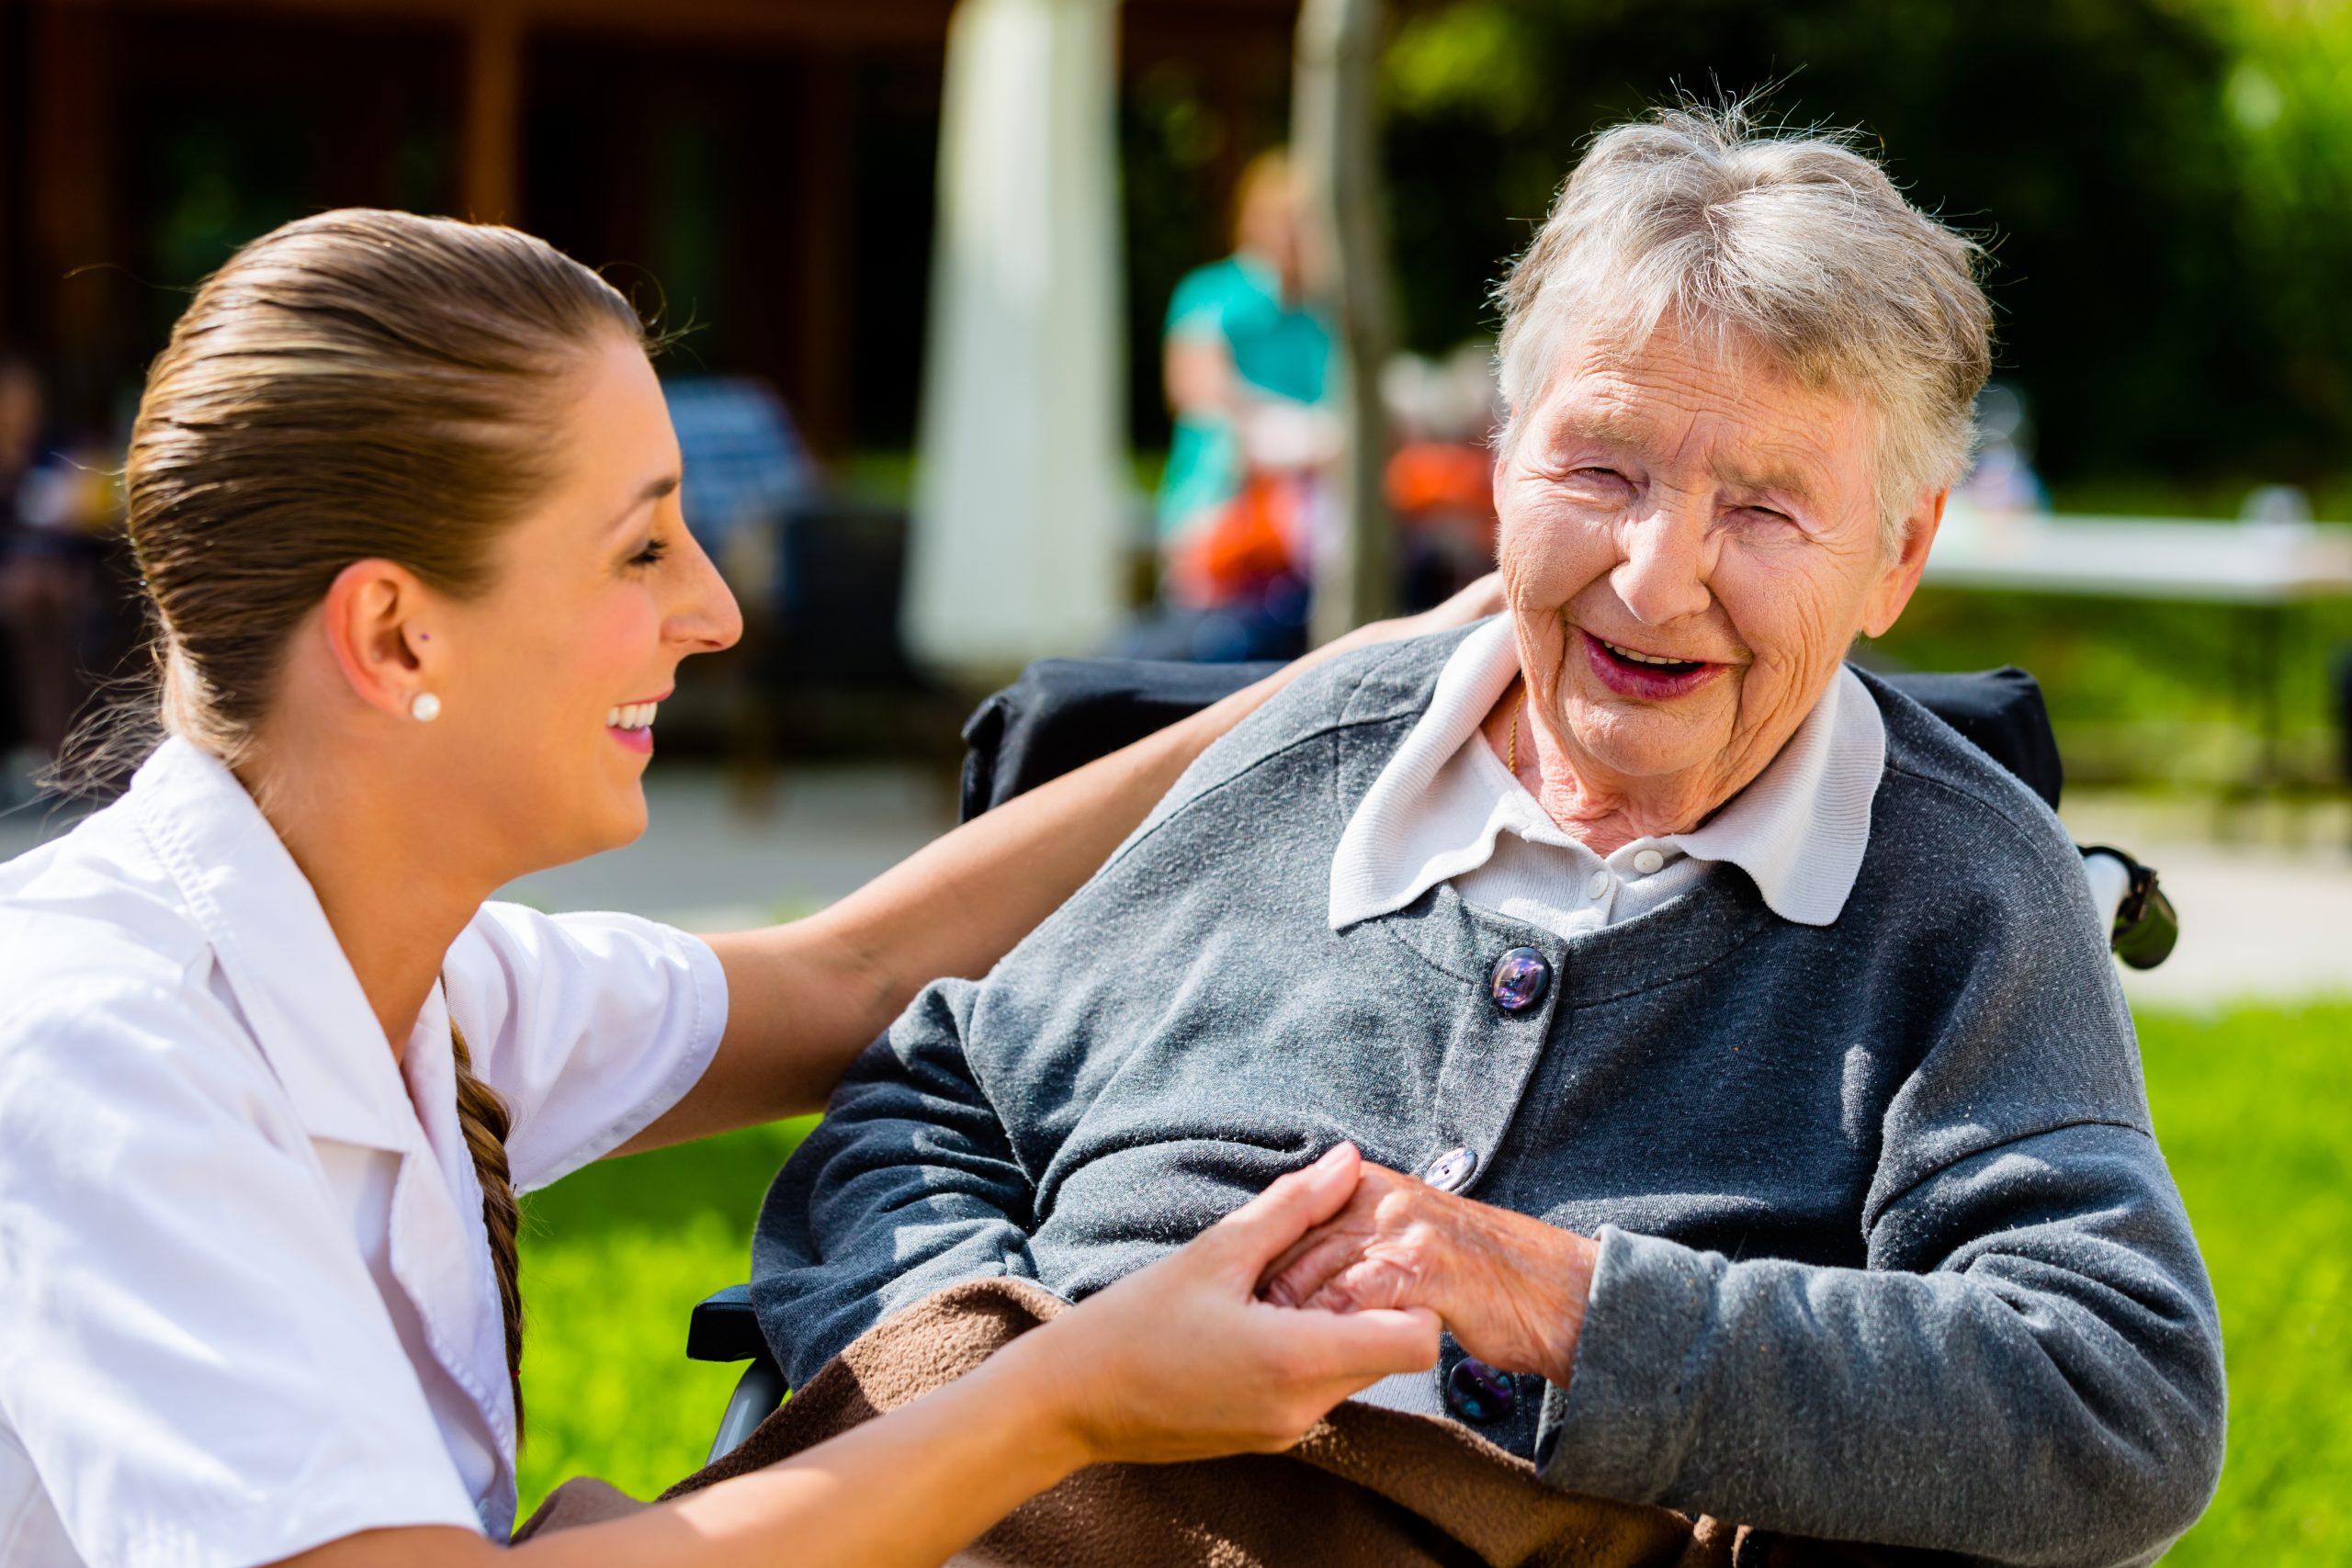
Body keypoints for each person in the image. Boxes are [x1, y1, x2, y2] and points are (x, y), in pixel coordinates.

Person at [755, 107, 2226, 1566]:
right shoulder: (1318, 747)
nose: (1655, 582)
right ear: (1503, 459)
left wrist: (1562, 1301)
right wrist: (979, 1405)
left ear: (1899, 552)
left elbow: (2118, 1393)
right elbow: (930, 1094)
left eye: (1765, 506)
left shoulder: (1959, 892)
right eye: (1602, 470)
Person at [0, 209, 1502, 1568]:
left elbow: (849, 977)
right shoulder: (107, 1055)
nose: (711, 609)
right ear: (396, 638)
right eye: (640, 548)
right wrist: (1073, 1393)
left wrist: (1373, 680)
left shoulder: (409, 970)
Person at [1143, 149, 1340, 660]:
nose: (1297, 237)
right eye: (1287, 222)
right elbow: (1195, 388)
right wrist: (1305, 432)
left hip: (1308, 523)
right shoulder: (1211, 294)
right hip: (1220, 505)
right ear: (1254, 221)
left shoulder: (1329, 311)